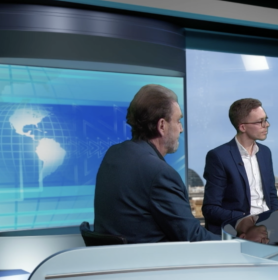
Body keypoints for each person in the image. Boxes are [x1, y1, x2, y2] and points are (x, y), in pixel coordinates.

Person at [93, 84, 220, 243]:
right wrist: (238, 242)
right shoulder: (159, 173)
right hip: (150, 264)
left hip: (116, 261)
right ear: (162, 126)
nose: (181, 129)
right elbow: (193, 239)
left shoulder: (114, 154)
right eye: (178, 120)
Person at [202, 98, 278, 235]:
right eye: (260, 121)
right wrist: (245, 220)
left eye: (266, 119)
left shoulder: (265, 152)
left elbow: (271, 196)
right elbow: (210, 209)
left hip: (267, 227)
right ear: (242, 127)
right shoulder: (219, 156)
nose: (267, 124)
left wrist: (276, 220)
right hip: (238, 230)